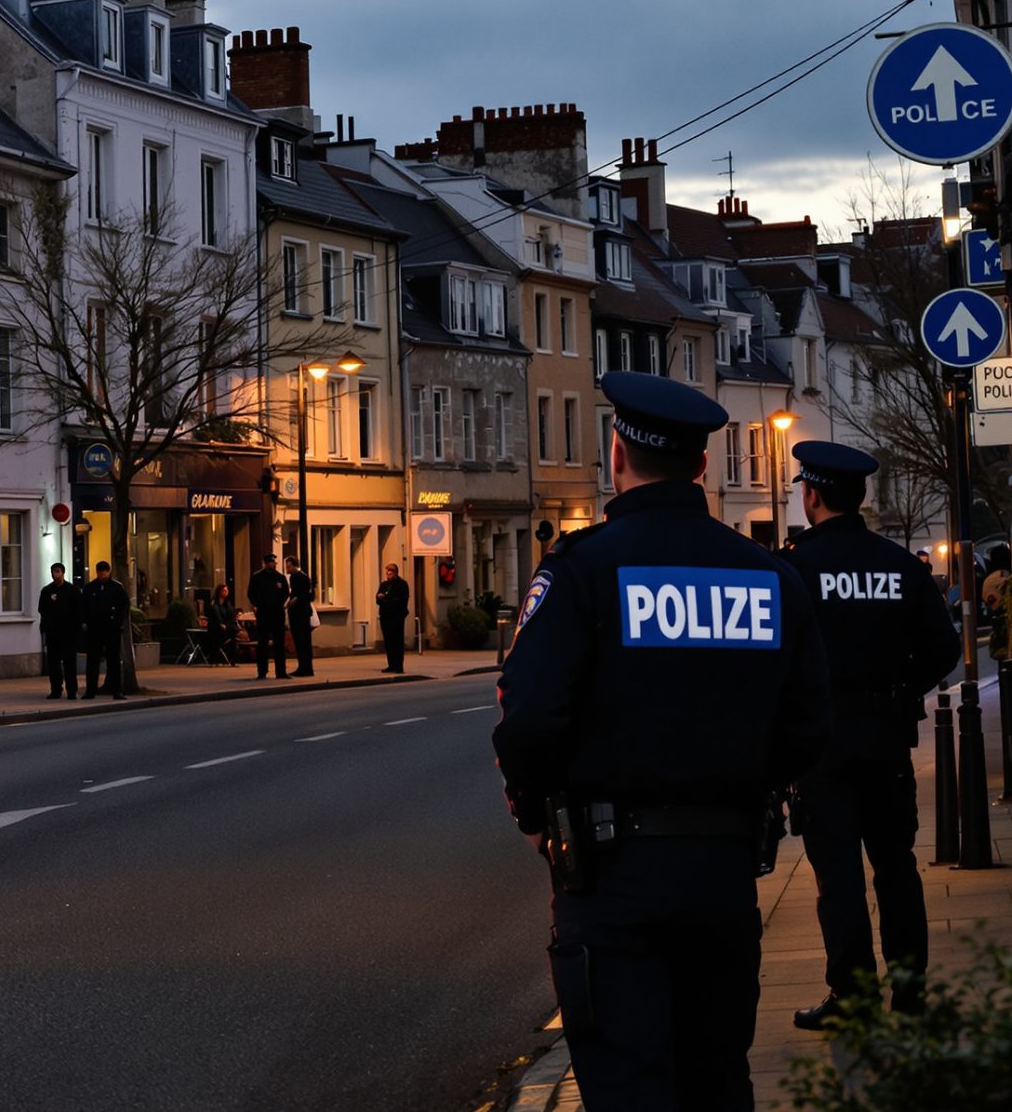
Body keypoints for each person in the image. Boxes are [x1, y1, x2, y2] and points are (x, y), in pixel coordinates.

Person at [494, 372, 831, 1111]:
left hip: (612, 875)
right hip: (722, 871)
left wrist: (533, 814)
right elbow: (809, 724)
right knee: (717, 1077)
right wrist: (750, 784)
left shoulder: (581, 570)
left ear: (618, 455)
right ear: (704, 466)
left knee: (628, 1084)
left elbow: (529, 719)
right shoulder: (769, 577)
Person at [781, 442, 959, 1029]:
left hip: (822, 745)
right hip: (886, 738)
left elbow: (775, 656)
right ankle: (909, 993)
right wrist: (901, 687)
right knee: (897, 866)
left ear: (812, 494)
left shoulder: (796, 570)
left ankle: (853, 999)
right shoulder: (902, 565)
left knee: (839, 877)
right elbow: (944, 648)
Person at [83, 560, 130, 700]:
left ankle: (117, 690)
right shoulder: (90, 588)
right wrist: (85, 623)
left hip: (111, 629)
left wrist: (119, 622)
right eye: (100, 571)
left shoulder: (116, 587)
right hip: (95, 629)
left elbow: (124, 606)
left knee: (114, 661)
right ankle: (90, 690)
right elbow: (84, 607)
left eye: (104, 571)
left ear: (108, 571)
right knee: (92, 661)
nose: (102, 573)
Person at [37, 562, 85, 698]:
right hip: (53, 633)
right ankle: (56, 689)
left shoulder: (72, 590)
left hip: (68, 633)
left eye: (58, 571)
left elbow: (78, 611)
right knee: (53, 664)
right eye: (53, 572)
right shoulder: (47, 591)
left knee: (70, 663)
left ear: (63, 573)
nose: (55, 574)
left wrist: (76, 629)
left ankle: (71, 691)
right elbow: (42, 610)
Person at [247, 554, 291, 680]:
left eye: (273, 562)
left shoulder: (280, 577)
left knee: (279, 643)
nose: (272, 564)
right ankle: (262, 671)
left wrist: (280, 603)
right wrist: (257, 605)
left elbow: (286, 593)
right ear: (265, 563)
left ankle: (281, 671)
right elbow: (251, 593)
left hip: (277, 613)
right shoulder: (257, 577)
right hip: (263, 613)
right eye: (270, 562)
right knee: (262, 644)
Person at [375, 562, 411, 673]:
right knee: (388, 642)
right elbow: (377, 600)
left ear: (395, 573)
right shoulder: (384, 584)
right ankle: (391, 664)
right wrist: (380, 597)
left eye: (390, 573)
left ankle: (399, 666)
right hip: (385, 616)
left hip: (397, 617)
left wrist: (386, 599)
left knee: (397, 642)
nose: (388, 575)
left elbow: (402, 600)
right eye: (387, 572)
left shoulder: (402, 584)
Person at [286, 554, 318, 676]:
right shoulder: (305, 576)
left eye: (289, 567)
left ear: (294, 566)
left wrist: (294, 599)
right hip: (304, 613)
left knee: (300, 642)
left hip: (299, 614)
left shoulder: (296, 577)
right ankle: (307, 667)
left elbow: (301, 594)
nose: (287, 570)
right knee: (305, 642)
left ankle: (303, 668)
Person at [197, 582, 239, 665]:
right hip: (216, 628)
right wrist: (220, 623)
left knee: (233, 634)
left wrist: (227, 625)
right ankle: (216, 657)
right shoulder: (214, 603)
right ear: (219, 591)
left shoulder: (228, 603)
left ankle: (233, 660)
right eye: (224, 590)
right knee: (229, 635)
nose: (226, 592)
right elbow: (216, 615)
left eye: (227, 590)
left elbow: (231, 616)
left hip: (226, 627)